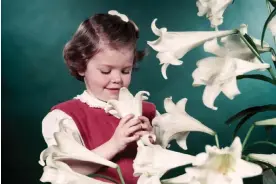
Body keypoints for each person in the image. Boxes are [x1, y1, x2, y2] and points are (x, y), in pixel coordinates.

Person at [41, 10, 157, 184]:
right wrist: (115, 143)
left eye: (126, 70)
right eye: (106, 71)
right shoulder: (64, 118)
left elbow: (156, 166)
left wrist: (151, 142)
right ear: (81, 66)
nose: (117, 79)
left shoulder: (148, 112)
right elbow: (65, 171)